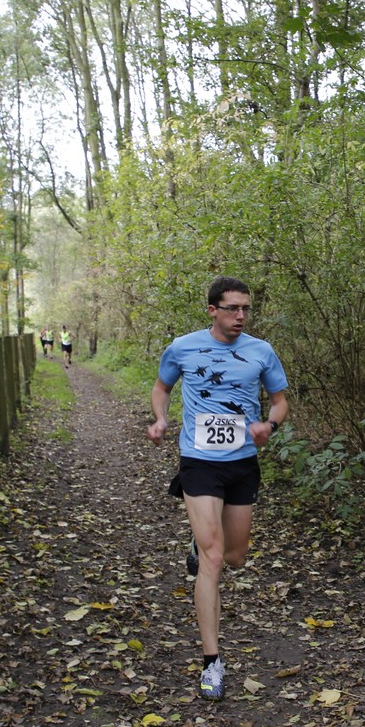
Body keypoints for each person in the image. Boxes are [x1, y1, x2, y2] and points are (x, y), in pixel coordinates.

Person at [146, 277, 288, 700]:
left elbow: (280, 400)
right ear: (212, 310)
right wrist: (161, 419)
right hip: (199, 461)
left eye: (246, 308)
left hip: (242, 464)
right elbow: (162, 388)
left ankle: (199, 540)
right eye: (232, 308)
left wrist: (269, 425)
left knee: (235, 556)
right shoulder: (183, 347)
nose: (241, 316)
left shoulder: (261, 351)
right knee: (213, 560)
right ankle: (212, 662)